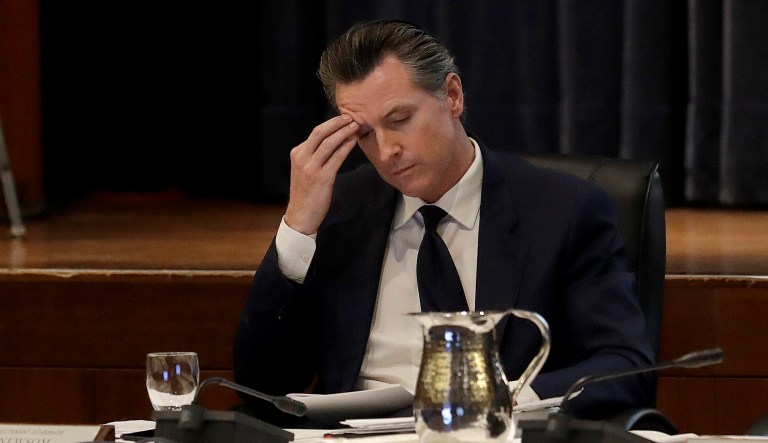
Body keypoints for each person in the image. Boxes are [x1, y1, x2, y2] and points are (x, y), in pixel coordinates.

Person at [233, 19, 655, 424]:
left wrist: (500, 400)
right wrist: (298, 229)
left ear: (452, 96)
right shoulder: (339, 210)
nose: (386, 151)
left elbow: (623, 368)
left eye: (399, 120)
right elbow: (262, 385)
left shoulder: (563, 210)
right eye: (364, 134)